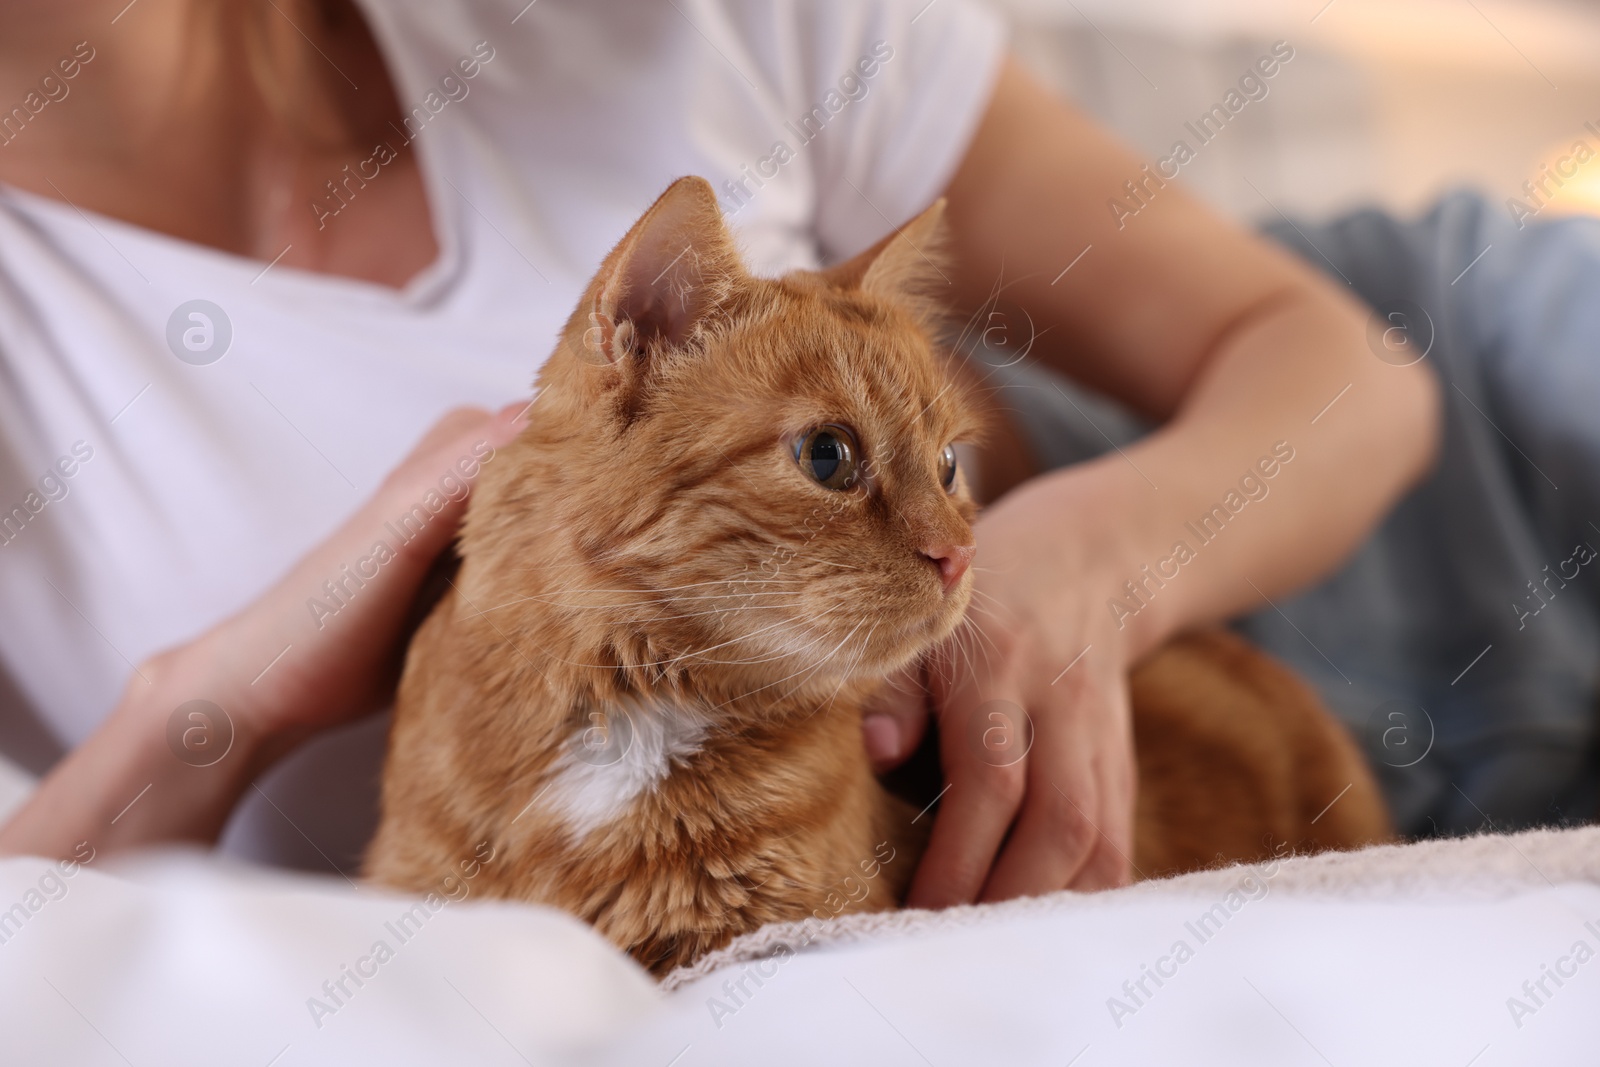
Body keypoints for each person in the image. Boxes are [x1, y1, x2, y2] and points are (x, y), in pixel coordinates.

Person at [0, 0, 1442, 909]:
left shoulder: (714, 22)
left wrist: (1089, 558)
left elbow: (1351, 376)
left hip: (1380, 589)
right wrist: (204, 706)